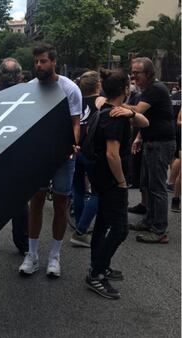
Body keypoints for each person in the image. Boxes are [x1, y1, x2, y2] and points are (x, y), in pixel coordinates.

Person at [18, 43, 81, 278]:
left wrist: (72, 145)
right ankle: (32, 255)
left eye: (43, 61)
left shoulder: (69, 88)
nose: (38, 66)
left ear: (54, 61)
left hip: (63, 156)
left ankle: (55, 256)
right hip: (38, 156)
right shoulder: (29, 88)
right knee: (35, 203)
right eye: (35, 62)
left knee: (60, 204)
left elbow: (76, 122)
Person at [86, 69, 149, 299]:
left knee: (103, 223)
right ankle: (96, 273)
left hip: (101, 178)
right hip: (112, 180)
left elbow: (145, 121)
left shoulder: (105, 109)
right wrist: (122, 182)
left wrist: (130, 114)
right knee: (120, 229)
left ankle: (98, 266)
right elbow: (112, 155)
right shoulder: (114, 118)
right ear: (124, 90)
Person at [126, 57, 176, 243]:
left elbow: (137, 112)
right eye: (133, 72)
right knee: (147, 183)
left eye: (137, 73)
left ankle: (159, 230)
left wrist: (115, 104)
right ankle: (149, 220)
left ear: (148, 73)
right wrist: (140, 137)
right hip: (151, 141)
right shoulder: (149, 88)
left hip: (160, 144)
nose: (133, 76)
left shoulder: (155, 89)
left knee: (157, 187)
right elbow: (153, 117)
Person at [0, 58, 29, 255]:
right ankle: (22, 243)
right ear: (19, 76)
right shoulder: (28, 97)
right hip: (18, 158)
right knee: (19, 203)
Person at [70, 71, 101, 248]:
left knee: (78, 189)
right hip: (92, 152)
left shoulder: (76, 102)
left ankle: (80, 222)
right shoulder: (100, 104)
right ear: (98, 86)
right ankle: (81, 228)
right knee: (97, 191)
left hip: (76, 149)